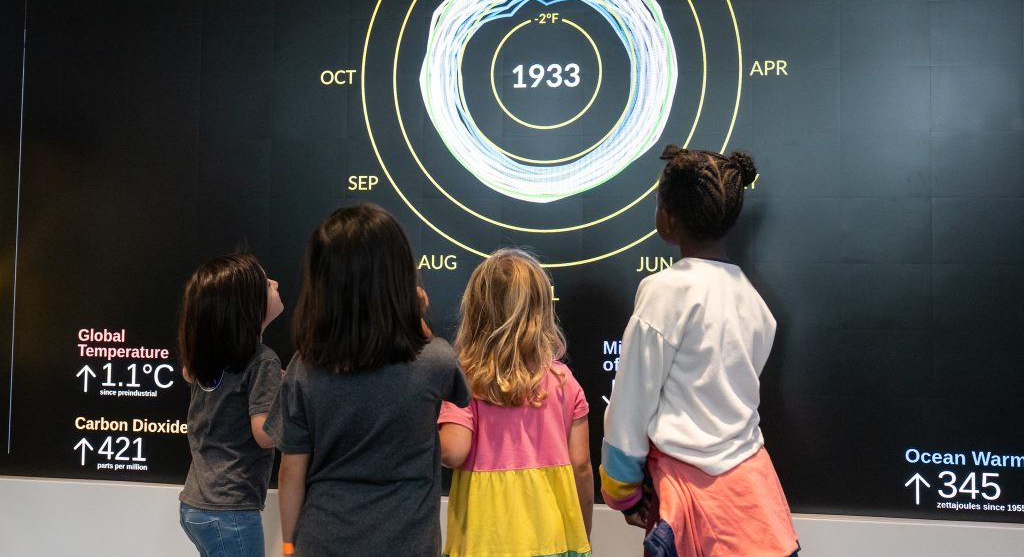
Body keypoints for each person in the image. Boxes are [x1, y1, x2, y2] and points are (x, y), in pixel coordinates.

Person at [600, 146, 799, 557]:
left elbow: (631, 403)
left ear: (668, 218)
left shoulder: (664, 293)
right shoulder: (755, 302)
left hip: (689, 501)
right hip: (753, 492)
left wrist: (623, 491)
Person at [265, 203, 471, 557]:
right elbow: (448, 381)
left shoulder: (303, 368)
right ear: (401, 278)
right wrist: (413, 317)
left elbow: (290, 470)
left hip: (322, 541)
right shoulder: (436, 360)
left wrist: (288, 543)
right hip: (408, 544)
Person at [438, 247, 593, 557]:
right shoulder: (564, 383)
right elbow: (582, 467)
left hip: (481, 544)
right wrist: (583, 533)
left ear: (476, 311)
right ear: (541, 311)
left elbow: (452, 452)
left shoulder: (464, 380)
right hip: (555, 540)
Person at [177, 252, 285, 557]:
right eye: (266, 283)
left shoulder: (209, 357)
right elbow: (264, 433)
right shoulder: (263, 360)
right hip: (230, 511)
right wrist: (293, 401)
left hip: (196, 504)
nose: (275, 284)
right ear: (249, 305)